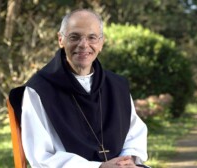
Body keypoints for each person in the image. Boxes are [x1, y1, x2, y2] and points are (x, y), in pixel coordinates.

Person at [9, 9, 150, 168]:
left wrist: (126, 161)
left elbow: (134, 134)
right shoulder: (39, 90)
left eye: (92, 37)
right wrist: (99, 167)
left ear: (101, 43)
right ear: (61, 40)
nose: (84, 45)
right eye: (74, 37)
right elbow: (41, 156)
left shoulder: (117, 85)